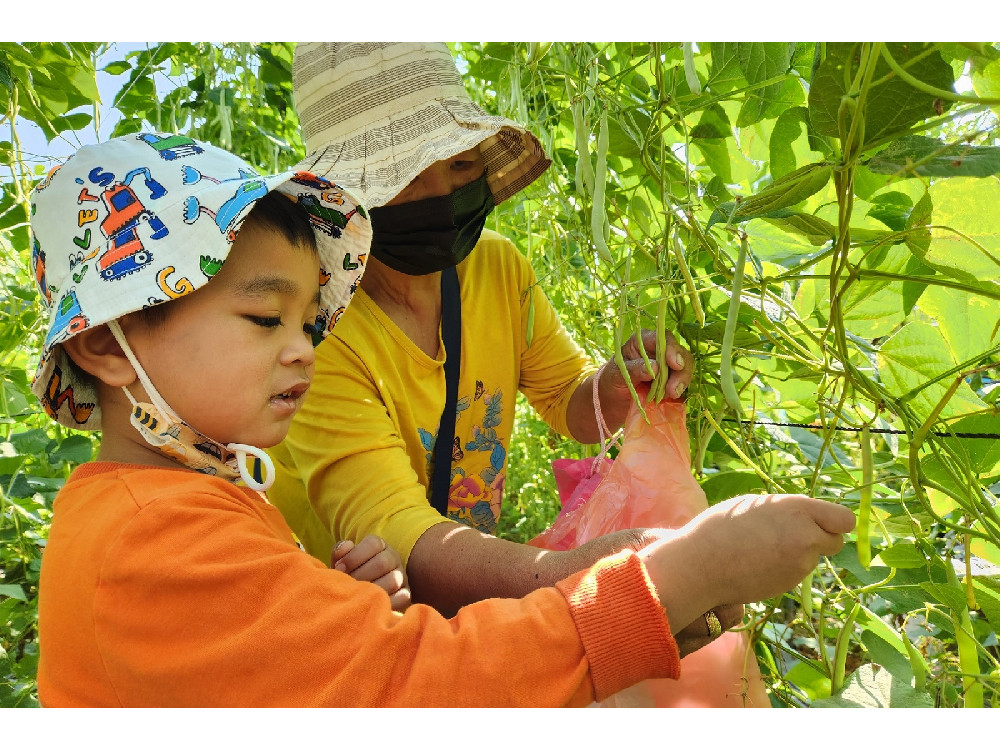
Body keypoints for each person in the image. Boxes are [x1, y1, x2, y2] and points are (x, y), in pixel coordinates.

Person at [30, 133, 856, 707]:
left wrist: (326, 604)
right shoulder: (154, 542)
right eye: (263, 321)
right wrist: (671, 580)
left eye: (306, 321)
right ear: (109, 343)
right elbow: (415, 692)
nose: (303, 351)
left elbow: (277, 667)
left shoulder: (183, 504)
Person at [268, 42, 696, 615]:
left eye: (460, 165)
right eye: (405, 175)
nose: (442, 195)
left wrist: (613, 388)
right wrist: (589, 579)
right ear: (346, 194)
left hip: (480, 588)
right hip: (360, 615)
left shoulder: (498, 267)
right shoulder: (315, 332)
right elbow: (393, 530)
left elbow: (566, 398)